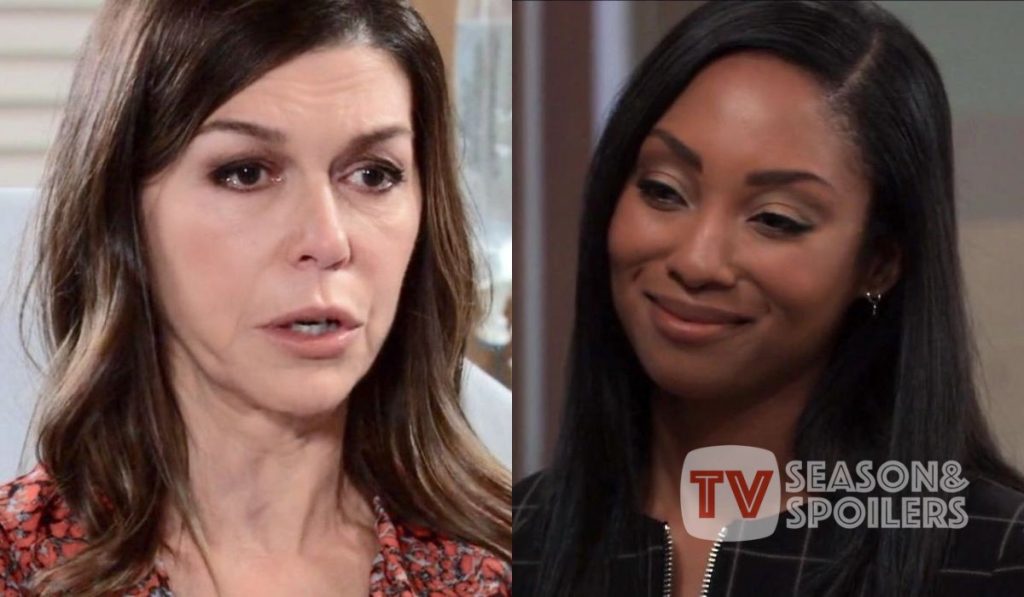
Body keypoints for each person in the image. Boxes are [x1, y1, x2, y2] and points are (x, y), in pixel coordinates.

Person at [0, 1, 511, 595]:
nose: (327, 241)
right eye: (245, 173)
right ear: (122, 215)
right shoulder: (17, 566)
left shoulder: (515, 563)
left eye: (373, 174)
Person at [514, 1, 1024, 596]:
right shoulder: (510, 539)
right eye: (663, 190)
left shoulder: (993, 557)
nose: (697, 261)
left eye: (776, 219)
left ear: (880, 262)